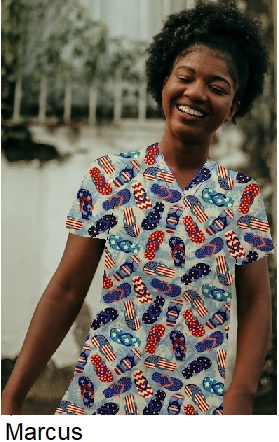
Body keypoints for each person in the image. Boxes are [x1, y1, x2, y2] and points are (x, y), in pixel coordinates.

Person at [2, 0, 274, 415]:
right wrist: (12, 394)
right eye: (185, 77)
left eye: (218, 88)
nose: (196, 93)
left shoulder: (241, 197)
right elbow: (66, 289)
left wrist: (240, 396)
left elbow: (256, 302)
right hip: (101, 397)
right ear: (164, 82)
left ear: (233, 107)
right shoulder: (110, 177)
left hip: (196, 405)